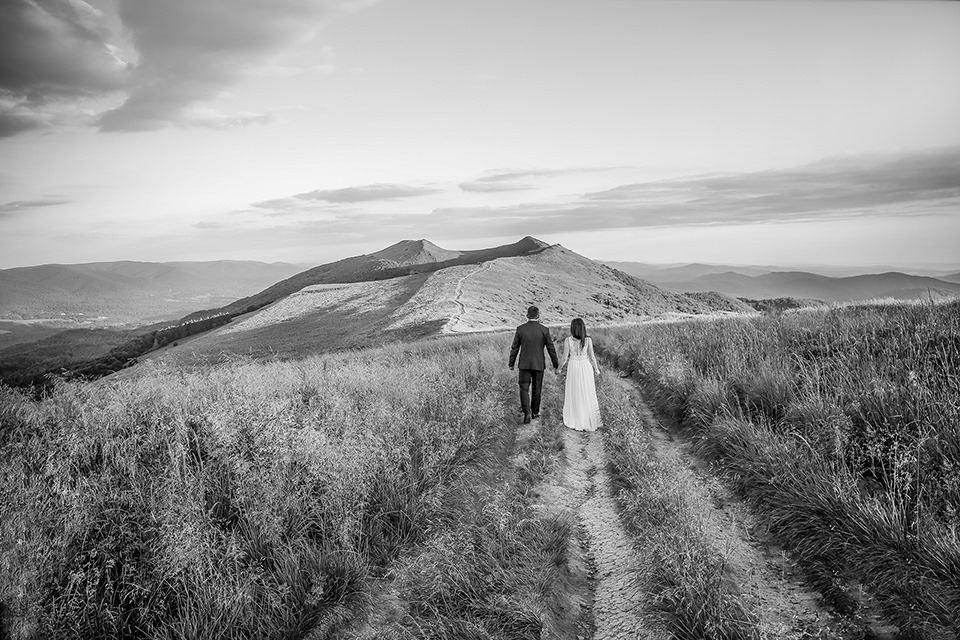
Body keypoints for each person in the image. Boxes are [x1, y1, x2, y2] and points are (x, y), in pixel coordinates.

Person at [508, 305, 560, 424]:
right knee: (537, 388)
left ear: (527, 316)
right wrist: (555, 364)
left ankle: (527, 413)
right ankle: (535, 412)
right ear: (538, 316)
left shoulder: (520, 329)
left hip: (524, 364)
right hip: (538, 364)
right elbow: (551, 348)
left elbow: (514, 348)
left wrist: (511, 363)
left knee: (524, 388)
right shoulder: (544, 330)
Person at [559, 318, 601, 431]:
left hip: (573, 367)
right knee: (587, 391)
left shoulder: (568, 340)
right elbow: (592, 357)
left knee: (574, 391)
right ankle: (587, 418)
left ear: (572, 328)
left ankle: (575, 417)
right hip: (585, 366)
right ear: (583, 328)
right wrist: (596, 369)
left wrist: (558, 369)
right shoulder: (588, 340)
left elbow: (564, 358)